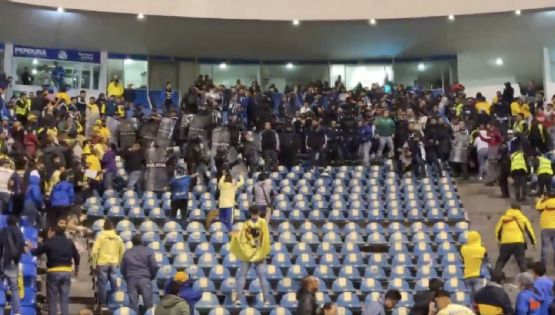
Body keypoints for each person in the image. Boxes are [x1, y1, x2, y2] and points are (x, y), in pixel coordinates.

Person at [31, 225, 80, 315]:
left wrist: (30, 247)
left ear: (53, 232)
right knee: (64, 299)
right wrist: (76, 269)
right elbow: (77, 256)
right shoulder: (69, 242)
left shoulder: (49, 242)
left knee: (52, 299)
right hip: (66, 272)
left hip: (53, 272)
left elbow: (36, 252)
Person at [230, 206, 272, 306]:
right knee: (262, 277)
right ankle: (266, 301)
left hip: (247, 254)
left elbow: (240, 238)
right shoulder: (263, 222)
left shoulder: (246, 224)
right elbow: (266, 238)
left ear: (249, 213)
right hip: (259, 254)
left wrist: (234, 235)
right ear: (258, 212)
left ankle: (238, 300)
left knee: (242, 276)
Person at [91, 219, 125, 311]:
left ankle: (103, 304)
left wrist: (93, 264)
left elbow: (94, 251)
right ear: (112, 228)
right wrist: (119, 262)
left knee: (102, 284)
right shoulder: (118, 238)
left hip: (102, 263)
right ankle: (114, 302)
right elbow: (122, 251)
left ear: (104, 228)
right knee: (114, 284)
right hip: (114, 263)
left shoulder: (101, 237)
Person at [121, 234, 159, 314]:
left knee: (133, 306)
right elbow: (154, 266)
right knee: (148, 305)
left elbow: (122, 268)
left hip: (131, 280)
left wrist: (127, 278)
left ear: (132, 242)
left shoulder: (127, 252)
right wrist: (151, 276)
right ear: (142, 242)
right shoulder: (148, 251)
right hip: (145, 279)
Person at [494, 204, 537, 274]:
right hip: (518, 243)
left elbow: (497, 231)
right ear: (519, 209)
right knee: (521, 262)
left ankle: (496, 277)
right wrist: (533, 242)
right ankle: (526, 279)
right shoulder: (522, 218)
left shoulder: (503, 218)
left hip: (505, 242)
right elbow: (529, 231)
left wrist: (499, 240)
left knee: (501, 261)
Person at [0, 215, 24, 315]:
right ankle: (17, 312)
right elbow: (21, 246)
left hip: (3, 262)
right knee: (14, 288)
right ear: (16, 222)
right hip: (13, 263)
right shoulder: (19, 232)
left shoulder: (3, 231)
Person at [460, 230, 487, 299]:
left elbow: (462, 259)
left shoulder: (463, 249)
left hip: (467, 277)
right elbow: (485, 260)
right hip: (479, 276)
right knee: (480, 298)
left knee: (471, 299)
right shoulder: (482, 250)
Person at [535, 193, 555, 268]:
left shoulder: (546, 202)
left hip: (546, 227)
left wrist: (540, 200)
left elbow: (538, 207)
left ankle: (544, 264)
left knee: (545, 247)